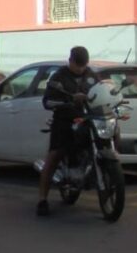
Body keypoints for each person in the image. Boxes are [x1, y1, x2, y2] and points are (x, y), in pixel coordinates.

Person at [36, 46, 98, 217]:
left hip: (87, 119)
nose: (81, 68)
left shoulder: (91, 76)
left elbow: (101, 91)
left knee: (110, 132)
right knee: (55, 154)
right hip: (65, 119)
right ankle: (42, 199)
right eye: (78, 65)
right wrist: (69, 100)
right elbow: (47, 102)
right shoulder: (59, 77)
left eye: (83, 65)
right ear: (70, 61)